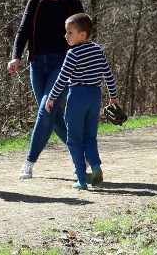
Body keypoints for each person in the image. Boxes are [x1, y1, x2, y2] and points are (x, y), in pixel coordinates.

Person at [7, 0, 84, 179]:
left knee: (46, 109)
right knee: (53, 116)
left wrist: (78, 61)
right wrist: (16, 56)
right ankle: (81, 155)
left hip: (62, 63)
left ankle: (29, 162)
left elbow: (82, 35)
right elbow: (23, 30)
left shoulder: (73, 3)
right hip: (37, 64)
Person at [45, 13, 119, 190]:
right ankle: (95, 166)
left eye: (70, 32)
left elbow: (62, 78)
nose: (66, 36)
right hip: (94, 96)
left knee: (74, 139)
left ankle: (80, 178)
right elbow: (107, 74)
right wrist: (113, 96)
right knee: (90, 137)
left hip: (77, 96)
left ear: (83, 34)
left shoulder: (73, 53)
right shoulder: (97, 49)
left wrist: (51, 97)